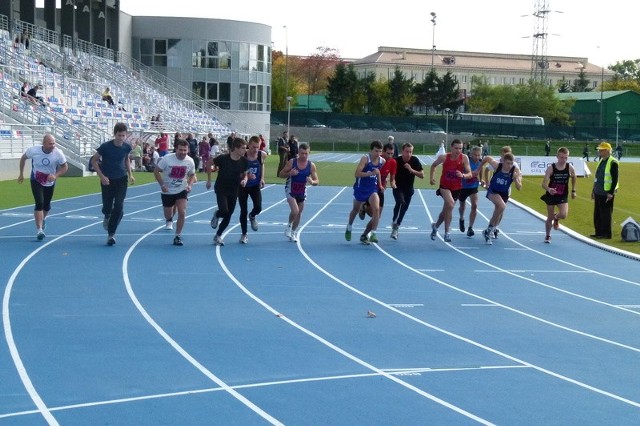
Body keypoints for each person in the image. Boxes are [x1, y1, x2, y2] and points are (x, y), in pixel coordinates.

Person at [17, 134, 68, 240]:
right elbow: (23, 158)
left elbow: (65, 167)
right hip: (36, 179)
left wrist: (55, 175)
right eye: (50, 143)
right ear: (44, 143)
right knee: (39, 203)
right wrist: (21, 173)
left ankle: (43, 218)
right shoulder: (34, 150)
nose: (53, 145)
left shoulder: (58, 153)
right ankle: (39, 230)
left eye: (54, 143)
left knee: (46, 205)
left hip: (50, 181)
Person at [91, 122, 135, 246]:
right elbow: (94, 160)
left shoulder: (127, 147)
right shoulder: (105, 147)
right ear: (114, 134)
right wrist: (102, 176)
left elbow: (126, 159)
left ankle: (111, 234)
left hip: (121, 179)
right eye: (119, 135)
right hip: (107, 180)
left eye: (123, 136)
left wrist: (130, 174)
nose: (121, 138)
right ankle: (107, 215)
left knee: (119, 206)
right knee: (107, 207)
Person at [153, 139, 197, 246]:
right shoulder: (167, 159)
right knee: (168, 213)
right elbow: (156, 171)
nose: (183, 152)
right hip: (167, 190)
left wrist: (190, 185)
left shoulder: (190, 161)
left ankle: (178, 235)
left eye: (185, 150)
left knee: (182, 212)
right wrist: (162, 185)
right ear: (176, 149)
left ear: (188, 150)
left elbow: (192, 175)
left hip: (181, 189)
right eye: (180, 150)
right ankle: (169, 219)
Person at [206, 137, 249, 246]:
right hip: (221, 188)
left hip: (234, 190)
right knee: (224, 211)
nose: (245, 150)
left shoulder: (244, 161)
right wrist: (209, 180)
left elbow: (245, 174)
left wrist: (244, 180)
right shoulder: (223, 158)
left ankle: (218, 236)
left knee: (229, 214)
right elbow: (208, 163)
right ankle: (217, 213)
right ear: (235, 148)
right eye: (243, 148)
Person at [429, 139, 473, 242]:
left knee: (446, 210)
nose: (458, 151)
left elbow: (470, 174)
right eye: (456, 148)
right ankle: (447, 233)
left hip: (456, 188)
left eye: (460, 148)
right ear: (451, 148)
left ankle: (435, 227)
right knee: (451, 204)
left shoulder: (464, 158)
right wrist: (431, 178)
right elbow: (433, 165)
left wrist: (463, 175)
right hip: (444, 186)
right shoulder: (444, 157)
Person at [345, 141, 385, 245]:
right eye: (376, 151)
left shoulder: (382, 161)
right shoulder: (365, 159)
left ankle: (373, 233)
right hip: (361, 188)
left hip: (372, 189)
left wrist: (380, 185)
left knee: (376, 209)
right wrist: (370, 173)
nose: (378, 153)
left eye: (380, 151)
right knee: (355, 209)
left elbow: (378, 172)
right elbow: (357, 173)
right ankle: (349, 227)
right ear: (370, 150)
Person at [279, 142, 319, 242]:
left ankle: (293, 232)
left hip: (302, 191)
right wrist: (290, 173)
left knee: (299, 213)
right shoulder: (292, 162)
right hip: (291, 189)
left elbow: (317, 181)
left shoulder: (311, 165)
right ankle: (288, 226)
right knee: (295, 210)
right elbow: (281, 174)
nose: (304, 156)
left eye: (306, 153)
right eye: (302, 153)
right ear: (298, 153)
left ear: (309, 153)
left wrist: (312, 181)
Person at [479, 152, 522, 245]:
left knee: (499, 210)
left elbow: (519, 187)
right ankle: (490, 229)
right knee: (502, 206)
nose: (509, 166)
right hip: (493, 190)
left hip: (504, 193)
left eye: (511, 163)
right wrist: (479, 169)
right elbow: (487, 158)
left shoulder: (513, 172)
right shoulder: (497, 165)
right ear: (503, 161)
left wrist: (517, 181)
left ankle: (488, 230)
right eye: (507, 163)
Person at [360, 142, 398, 239]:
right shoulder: (378, 160)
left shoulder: (393, 162)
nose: (390, 156)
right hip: (371, 189)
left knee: (377, 215)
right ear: (383, 152)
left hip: (381, 190)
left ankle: (364, 234)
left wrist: (392, 183)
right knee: (375, 213)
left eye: (392, 153)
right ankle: (364, 207)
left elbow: (392, 177)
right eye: (388, 153)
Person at [541, 147, 577, 243]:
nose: (564, 160)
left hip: (562, 194)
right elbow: (543, 184)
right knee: (550, 217)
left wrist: (573, 190)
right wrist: (549, 189)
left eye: (566, 157)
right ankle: (548, 235)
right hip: (551, 195)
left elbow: (574, 177)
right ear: (557, 157)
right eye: (562, 157)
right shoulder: (551, 168)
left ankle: (556, 218)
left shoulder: (569, 167)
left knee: (564, 215)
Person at [390, 142, 424, 239]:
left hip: (409, 188)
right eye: (407, 151)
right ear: (402, 151)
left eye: (410, 152)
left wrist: (411, 169)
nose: (409, 154)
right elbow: (389, 171)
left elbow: (422, 175)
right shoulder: (396, 160)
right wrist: (391, 181)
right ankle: (395, 227)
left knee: (404, 207)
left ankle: (396, 223)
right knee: (400, 201)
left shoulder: (414, 160)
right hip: (398, 187)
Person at [238, 135, 267, 244]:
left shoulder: (262, 155)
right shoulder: (242, 155)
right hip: (243, 185)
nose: (255, 149)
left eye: (257, 147)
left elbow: (262, 165)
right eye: (253, 147)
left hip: (255, 185)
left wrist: (262, 178)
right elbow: (237, 170)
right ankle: (244, 234)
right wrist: (245, 177)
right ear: (248, 145)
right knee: (243, 210)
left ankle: (253, 215)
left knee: (258, 207)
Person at [591, 142, 619, 239]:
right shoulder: (601, 160)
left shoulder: (613, 162)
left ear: (607, 151)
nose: (599, 151)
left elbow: (615, 179)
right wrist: (593, 189)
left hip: (606, 192)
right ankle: (598, 232)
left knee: (605, 214)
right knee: (597, 213)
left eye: (601, 150)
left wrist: (610, 193)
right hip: (598, 191)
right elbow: (597, 177)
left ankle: (606, 233)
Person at [458, 145, 482, 237]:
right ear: (471, 154)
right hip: (463, 187)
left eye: (478, 155)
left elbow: (481, 171)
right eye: (475, 155)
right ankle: (461, 218)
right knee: (462, 207)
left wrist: (481, 179)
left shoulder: (480, 162)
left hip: (473, 187)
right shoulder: (466, 161)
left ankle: (470, 228)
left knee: (475, 205)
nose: (477, 157)